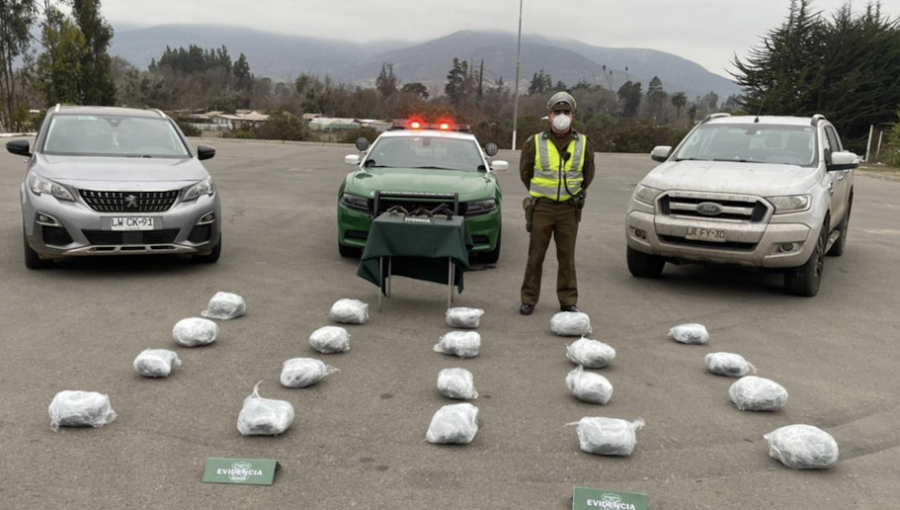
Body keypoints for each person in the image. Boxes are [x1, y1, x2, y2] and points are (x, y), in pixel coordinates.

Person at [518, 91, 595, 315]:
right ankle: (528, 299)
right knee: (535, 256)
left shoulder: (583, 143)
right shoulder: (534, 142)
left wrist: (576, 193)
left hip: (569, 210)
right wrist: (540, 193)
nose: (562, 116)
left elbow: (587, 174)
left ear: (572, 116)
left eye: (566, 112)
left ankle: (568, 300)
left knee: (567, 258)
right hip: (542, 207)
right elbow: (526, 172)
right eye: (557, 112)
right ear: (549, 116)